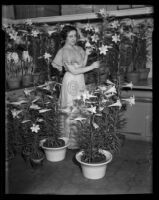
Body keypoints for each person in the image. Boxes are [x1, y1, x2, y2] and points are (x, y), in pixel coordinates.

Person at [52, 25, 100, 149]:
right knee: (71, 108)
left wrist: (87, 55)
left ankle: (79, 141)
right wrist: (92, 66)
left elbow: (81, 65)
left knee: (80, 107)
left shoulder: (78, 48)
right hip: (71, 81)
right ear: (65, 38)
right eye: (70, 36)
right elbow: (73, 70)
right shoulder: (63, 51)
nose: (73, 38)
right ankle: (69, 142)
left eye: (75, 36)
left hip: (80, 80)